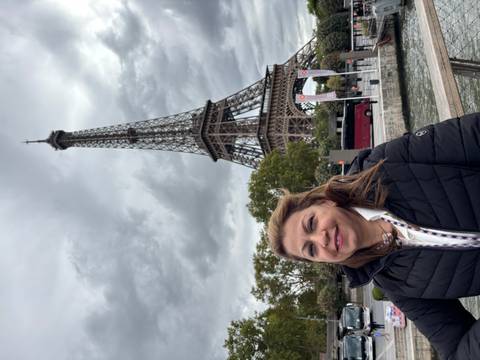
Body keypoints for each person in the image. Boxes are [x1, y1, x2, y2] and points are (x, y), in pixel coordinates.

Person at [267, 113, 480, 359]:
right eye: (311, 250)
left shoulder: (386, 165)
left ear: (325, 201)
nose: (321, 239)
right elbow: (457, 350)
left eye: (312, 223)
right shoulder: (395, 286)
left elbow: (471, 135)